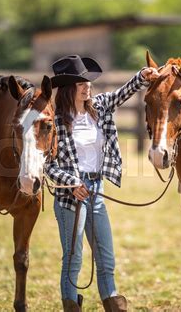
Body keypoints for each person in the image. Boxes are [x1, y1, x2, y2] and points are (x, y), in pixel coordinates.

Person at [45, 55, 159, 311]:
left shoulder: (99, 107)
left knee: (106, 256)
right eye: (81, 83)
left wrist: (142, 77)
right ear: (68, 89)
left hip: (97, 190)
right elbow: (47, 165)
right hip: (70, 196)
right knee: (73, 259)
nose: (88, 87)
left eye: (88, 82)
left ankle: (112, 302)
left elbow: (123, 93)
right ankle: (71, 304)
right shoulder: (55, 122)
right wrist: (71, 181)